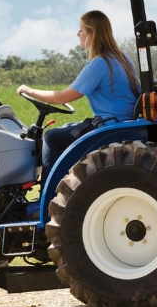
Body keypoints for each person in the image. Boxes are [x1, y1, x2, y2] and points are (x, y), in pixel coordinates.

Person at [17, 11, 139, 182]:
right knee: (70, 128)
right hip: (125, 124)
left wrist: (28, 90)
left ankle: (48, 195)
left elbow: (61, 97)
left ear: (93, 33)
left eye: (81, 30)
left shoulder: (99, 64)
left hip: (110, 126)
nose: (77, 34)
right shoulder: (123, 58)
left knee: (52, 137)